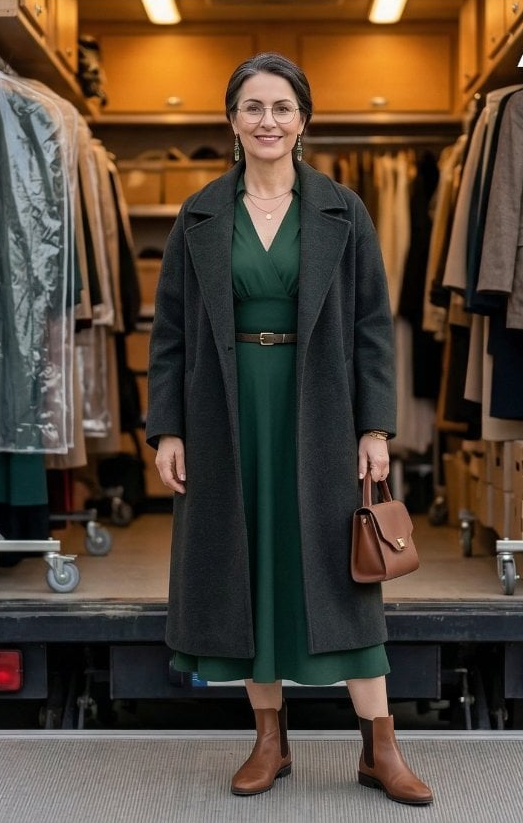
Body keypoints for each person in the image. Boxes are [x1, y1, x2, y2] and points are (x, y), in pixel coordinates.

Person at [145, 53, 433, 805]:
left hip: (322, 407)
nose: (266, 121)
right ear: (231, 121)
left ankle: (380, 745)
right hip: (225, 414)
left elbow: (373, 325)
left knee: (344, 573)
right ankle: (270, 741)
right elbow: (169, 331)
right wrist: (167, 430)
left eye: (280, 107)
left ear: (303, 119)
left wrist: (375, 426)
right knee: (250, 569)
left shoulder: (343, 208)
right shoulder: (200, 213)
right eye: (251, 108)